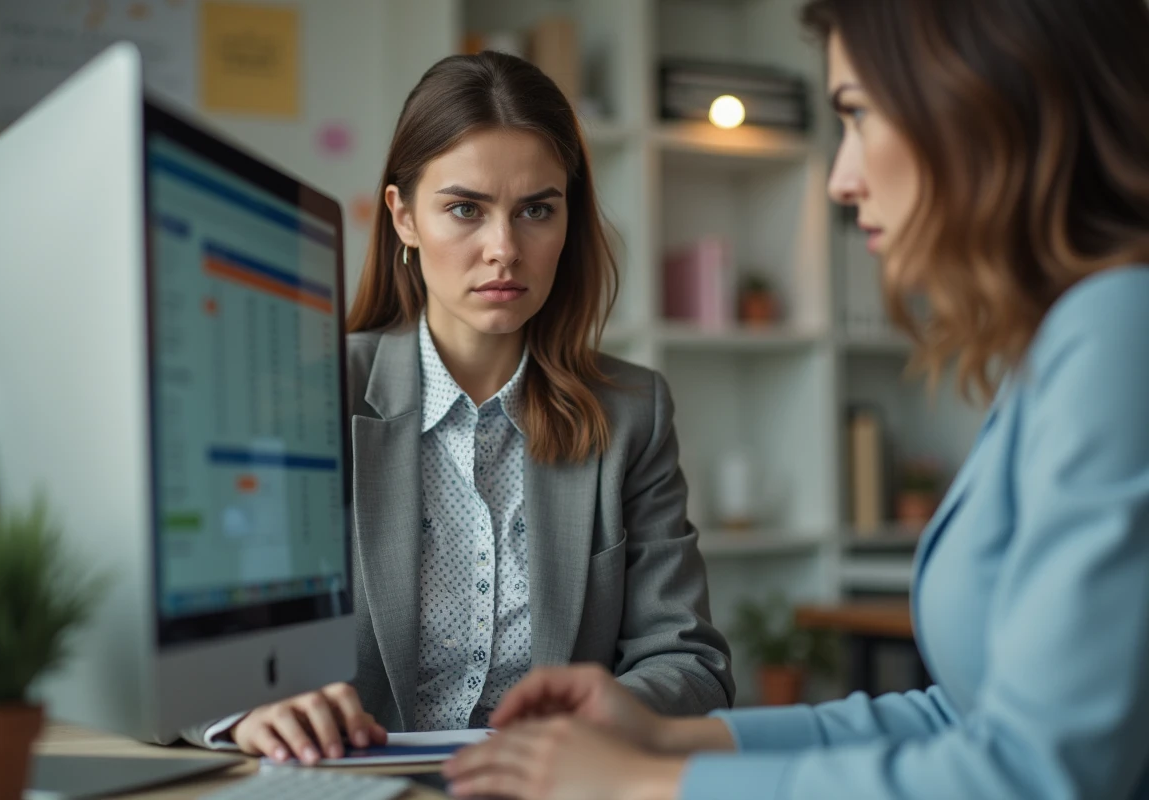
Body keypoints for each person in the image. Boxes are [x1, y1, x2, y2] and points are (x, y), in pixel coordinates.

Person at [441, 0, 1149, 797]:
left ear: (985, 103)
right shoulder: (1069, 340)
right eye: (464, 207)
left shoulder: (1117, 327)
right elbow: (962, 718)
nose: (842, 179)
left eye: (858, 116)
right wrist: (668, 738)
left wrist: (645, 786)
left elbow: (1036, 774)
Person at [182, 50, 734, 763]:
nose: (503, 249)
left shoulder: (631, 413)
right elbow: (187, 643)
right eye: (465, 209)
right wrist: (245, 710)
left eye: (537, 210)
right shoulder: (304, 393)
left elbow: (690, 663)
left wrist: (607, 715)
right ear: (403, 216)